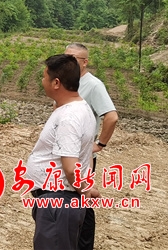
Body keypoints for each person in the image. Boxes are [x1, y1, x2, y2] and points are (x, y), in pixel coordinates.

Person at [26, 54, 98, 250]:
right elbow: (86, 154)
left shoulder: (69, 117)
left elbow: (71, 168)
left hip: (58, 203)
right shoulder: (81, 108)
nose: (42, 81)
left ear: (56, 83)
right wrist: (87, 186)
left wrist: (84, 191)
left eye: (44, 77)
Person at [65, 43, 119, 250]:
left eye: (73, 59)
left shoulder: (93, 85)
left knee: (82, 201)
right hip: (66, 154)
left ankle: (84, 245)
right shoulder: (68, 82)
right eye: (65, 57)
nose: (67, 62)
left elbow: (111, 117)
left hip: (82, 158)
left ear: (85, 62)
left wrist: (99, 144)